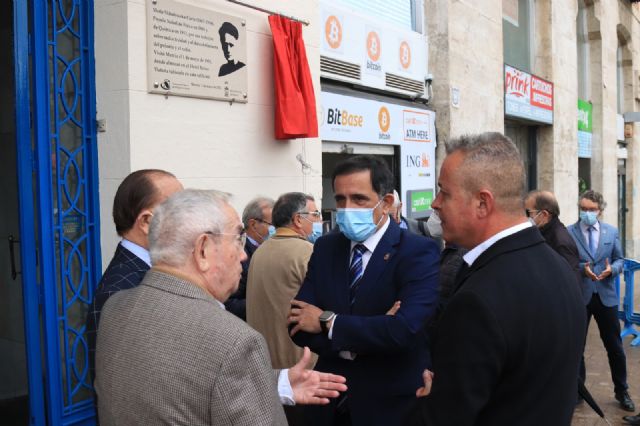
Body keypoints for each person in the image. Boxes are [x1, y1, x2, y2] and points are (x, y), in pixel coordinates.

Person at [95, 189, 347, 425]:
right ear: (203, 249)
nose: (244, 255)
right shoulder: (234, 340)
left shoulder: (116, 306)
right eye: (238, 239)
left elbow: (183, 384)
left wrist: (277, 383)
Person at [413, 132, 585, 425]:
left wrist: (434, 400)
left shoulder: (477, 299)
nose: (434, 203)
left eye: (444, 192)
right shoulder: (558, 266)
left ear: (482, 203)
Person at [287, 155, 440, 426]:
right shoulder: (326, 248)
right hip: (328, 402)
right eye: (340, 199)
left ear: (387, 203)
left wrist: (327, 322)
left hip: (390, 407)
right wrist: (376, 329)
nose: (347, 208)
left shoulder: (417, 252)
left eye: (359, 199)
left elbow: (403, 331)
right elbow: (297, 325)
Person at [85, 169, 183, 382]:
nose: (188, 218)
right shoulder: (119, 291)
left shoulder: (154, 271)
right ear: (146, 222)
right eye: (179, 209)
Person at [247, 192, 323, 425]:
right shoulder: (307, 253)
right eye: (316, 214)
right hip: (302, 368)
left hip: (266, 366)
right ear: (298, 219)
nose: (319, 221)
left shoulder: (260, 251)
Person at [568, 190, 635, 412]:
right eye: (583, 209)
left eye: (591, 209)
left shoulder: (611, 231)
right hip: (581, 295)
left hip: (606, 296)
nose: (587, 213)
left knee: (615, 346)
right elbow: (567, 262)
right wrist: (581, 270)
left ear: (600, 210)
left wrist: (612, 270)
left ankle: (622, 390)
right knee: (577, 346)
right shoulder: (570, 232)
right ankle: (579, 392)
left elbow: (619, 259)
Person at [225, 196, 275, 319]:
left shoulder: (273, 250)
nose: (277, 230)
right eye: (273, 224)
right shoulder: (239, 255)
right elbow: (228, 303)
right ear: (253, 224)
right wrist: (265, 304)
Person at [524, 190, 581, 285]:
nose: (525, 217)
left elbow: (572, 280)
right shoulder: (540, 232)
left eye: (528, 213)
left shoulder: (560, 240)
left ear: (544, 214)